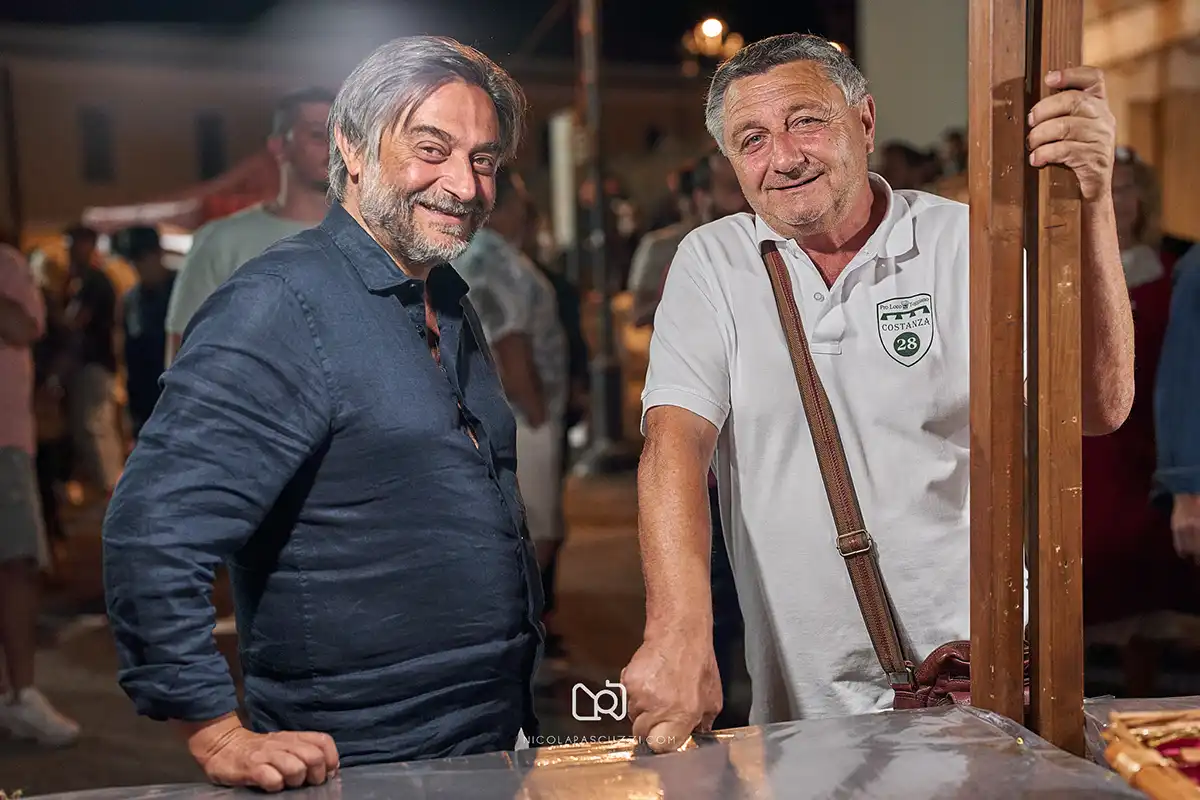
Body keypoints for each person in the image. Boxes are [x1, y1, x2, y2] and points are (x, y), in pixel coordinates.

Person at [622, 34, 1134, 748]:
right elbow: (676, 443)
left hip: (972, 687)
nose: (784, 157)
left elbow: (1098, 407)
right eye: (752, 139)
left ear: (864, 121)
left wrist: (1094, 200)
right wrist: (677, 630)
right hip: (802, 709)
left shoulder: (964, 243)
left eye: (806, 121)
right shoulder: (714, 262)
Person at [102, 36, 540, 792]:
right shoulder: (282, 305)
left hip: (485, 742)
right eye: (431, 150)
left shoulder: (443, 300)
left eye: (484, 160)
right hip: (363, 762)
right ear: (352, 147)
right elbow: (152, 532)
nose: (464, 186)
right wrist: (214, 731)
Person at [1081, 148, 1198, 695]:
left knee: (1151, 575)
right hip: (1091, 444)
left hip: (1154, 437)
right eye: (1107, 188)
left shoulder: (1172, 274)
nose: (1116, 200)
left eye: (1125, 188)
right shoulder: (1065, 274)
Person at [164, 87, 333, 366]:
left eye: (340, 134)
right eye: (317, 134)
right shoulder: (221, 241)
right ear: (279, 146)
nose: (332, 146)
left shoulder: (370, 238)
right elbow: (184, 352)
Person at [454, 170, 568, 573]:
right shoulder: (498, 262)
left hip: (486, 413)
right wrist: (536, 416)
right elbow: (509, 341)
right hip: (520, 419)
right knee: (535, 536)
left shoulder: (467, 254)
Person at [0, 233, 80, 745]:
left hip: (4, 441)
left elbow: (22, 326)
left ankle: (21, 693)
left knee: (16, 563)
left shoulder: (6, 265)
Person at [627, 150, 749, 327]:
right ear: (701, 197)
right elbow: (638, 315)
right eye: (731, 188)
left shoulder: (755, 240)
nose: (742, 198)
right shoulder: (661, 246)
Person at [62, 225, 123, 497]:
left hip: (95, 365)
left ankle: (113, 492)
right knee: (92, 427)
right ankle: (110, 492)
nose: (69, 250)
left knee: (94, 428)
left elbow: (75, 322)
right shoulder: (82, 281)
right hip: (91, 365)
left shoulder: (94, 281)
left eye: (74, 243)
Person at [116, 227, 175, 438]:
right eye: (133, 260)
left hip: (182, 403)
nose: (139, 266)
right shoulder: (131, 301)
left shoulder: (183, 291)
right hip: (146, 409)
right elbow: (130, 356)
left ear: (158, 253)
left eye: (142, 257)